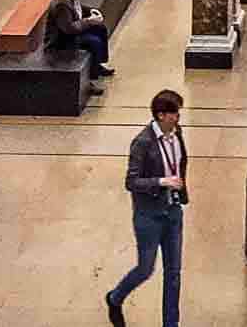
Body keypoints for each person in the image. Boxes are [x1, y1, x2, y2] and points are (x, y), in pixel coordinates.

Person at [106, 89, 189, 327]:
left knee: (173, 275)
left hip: (173, 212)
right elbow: (131, 182)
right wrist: (162, 182)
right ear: (161, 115)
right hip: (149, 216)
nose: (178, 118)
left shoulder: (177, 133)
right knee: (145, 268)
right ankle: (115, 298)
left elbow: (180, 162)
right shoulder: (142, 142)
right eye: (174, 113)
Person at [48, 0, 114, 87]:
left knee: (101, 28)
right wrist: (88, 21)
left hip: (73, 29)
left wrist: (90, 11)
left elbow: (76, 7)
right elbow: (69, 29)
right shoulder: (62, 3)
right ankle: (91, 80)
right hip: (63, 40)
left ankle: (97, 64)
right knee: (94, 42)